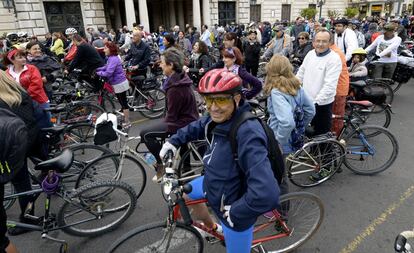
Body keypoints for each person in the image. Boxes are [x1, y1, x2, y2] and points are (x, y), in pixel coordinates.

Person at [159, 68, 280, 253]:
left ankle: (227, 228)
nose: (213, 107)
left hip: (232, 206)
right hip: (213, 185)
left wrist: (236, 213)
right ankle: (213, 228)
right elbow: (199, 125)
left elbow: (267, 192)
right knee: (185, 195)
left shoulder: (248, 132)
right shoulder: (218, 117)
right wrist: (173, 142)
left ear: (237, 98)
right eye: (208, 100)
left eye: (222, 99)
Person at [140, 48, 198, 182]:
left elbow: (171, 117)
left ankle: (161, 165)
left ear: (171, 65)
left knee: (145, 133)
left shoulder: (175, 88)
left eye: (162, 63)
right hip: (188, 118)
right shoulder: (180, 78)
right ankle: (186, 167)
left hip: (182, 122)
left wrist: (161, 124)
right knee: (156, 128)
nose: (160, 65)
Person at [264, 55, 315, 155]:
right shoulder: (297, 86)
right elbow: (311, 110)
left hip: (281, 139)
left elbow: (287, 122)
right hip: (295, 136)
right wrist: (300, 126)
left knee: (279, 168)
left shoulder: (276, 92)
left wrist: (278, 141)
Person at [296, 29, 342, 136]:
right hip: (306, 101)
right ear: (313, 42)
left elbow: (329, 86)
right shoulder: (310, 54)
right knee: (308, 134)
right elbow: (301, 73)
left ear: (330, 43)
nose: (320, 44)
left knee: (321, 137)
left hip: (321, 105)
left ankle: (325, 152)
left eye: (324, 41)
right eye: (318, 41)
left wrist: (315, 102)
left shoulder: (334, 59)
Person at [4, 49, 52, 128]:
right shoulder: (7, 73)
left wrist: (23, 97)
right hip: (21, 105)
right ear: (12, 60)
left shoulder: (32, 68)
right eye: (20, 57)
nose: (23, 59)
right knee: (31, 126)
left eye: (24, 56)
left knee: (48, 122)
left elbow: (36, 85)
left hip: (39, 101)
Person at [96, 42, 131, 127]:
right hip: (117, 83)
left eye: (105, 48)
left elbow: (108, 73)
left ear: (110, 49)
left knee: (123, 103)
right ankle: (124, 116)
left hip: (119, 83)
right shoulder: (111, 58)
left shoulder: (114, 59)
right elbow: (106, 67)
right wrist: (97, 69)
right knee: (121, 101)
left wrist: (98, 73)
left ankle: (127, 122)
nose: (104, 50)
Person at [330, 40, 350, 137]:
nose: (319, 44)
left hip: (338, 89)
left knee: (336, 118)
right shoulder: (332, 51)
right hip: (336, 87)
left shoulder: (334, 53)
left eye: (323, 41)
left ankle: (336, 142)